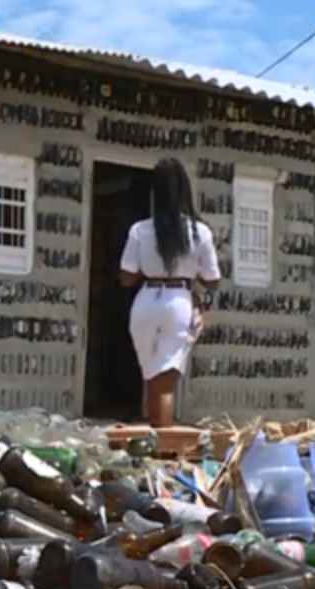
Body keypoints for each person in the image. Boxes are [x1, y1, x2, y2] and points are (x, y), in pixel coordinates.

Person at [118, 157, 221, 428]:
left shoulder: (140, 230)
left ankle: (155, 439)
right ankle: (163, 446)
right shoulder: (200, 232)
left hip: (146, 300)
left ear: (155, 193)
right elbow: (212, 280)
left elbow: (127, 277)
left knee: (151, 377)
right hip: (178, 301)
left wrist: (151, 267)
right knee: (165, 382)